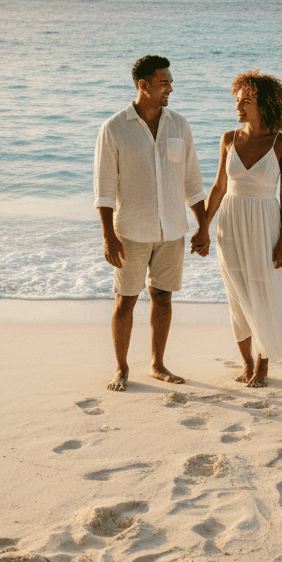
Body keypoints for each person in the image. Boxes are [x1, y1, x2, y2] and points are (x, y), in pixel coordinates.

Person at [198, 70, 282, 386]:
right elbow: (218, 186)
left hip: (265, 225)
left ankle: (262, 365)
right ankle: (245, 362)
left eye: (246, 101)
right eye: (237, 101)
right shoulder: (229, 138)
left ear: (266, 105)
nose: (238, 107)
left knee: (263, 294)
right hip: (229, 224)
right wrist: (203, 226)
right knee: (237, 293)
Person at [94, 55, 209, 391]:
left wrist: (202, 226)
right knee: (126, 299)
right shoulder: (114, 128)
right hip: (131, 230)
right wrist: (108, 237)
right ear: (143, 85)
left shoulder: (179, 125)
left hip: (173, 230)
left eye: (170, 82)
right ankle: (121, 368)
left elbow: (193, 183)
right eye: (164, 83)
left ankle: (157, 365)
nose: (170, 88)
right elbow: (103, 190)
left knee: (163, 297)